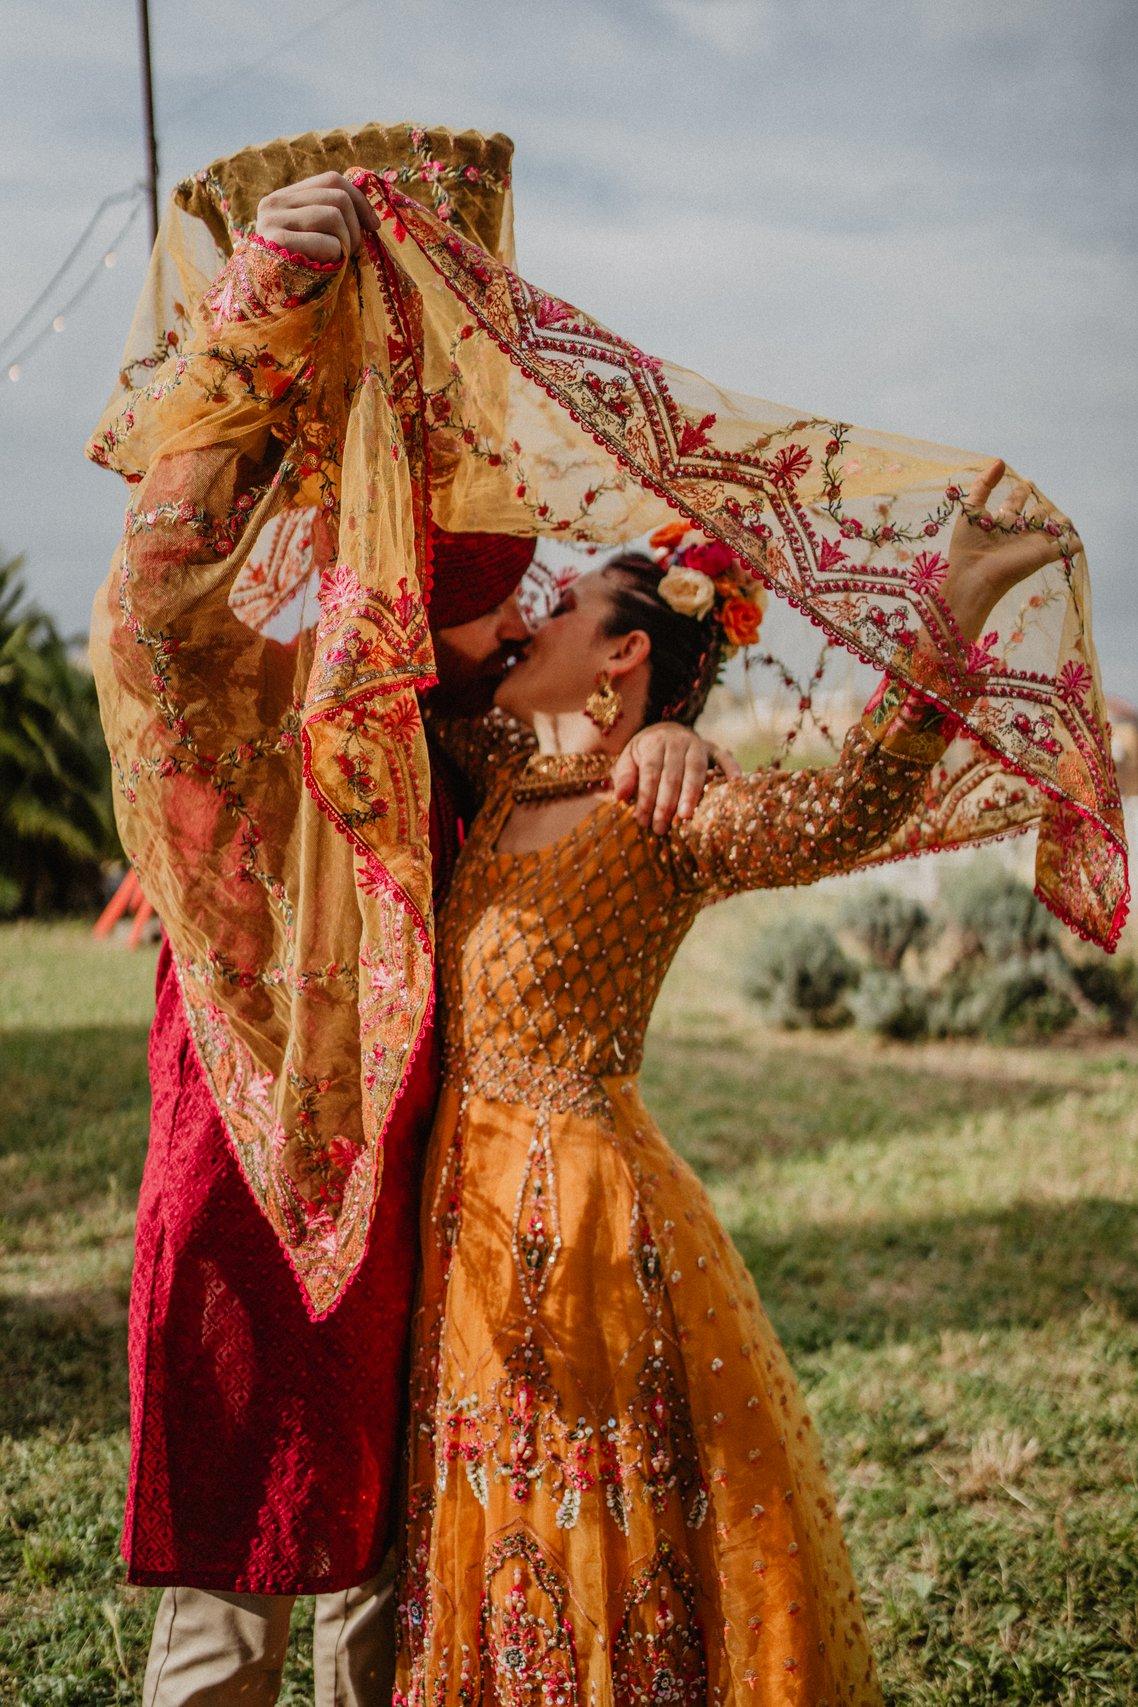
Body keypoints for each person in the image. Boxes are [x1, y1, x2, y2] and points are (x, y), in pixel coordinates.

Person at [99, 168, 734, 1707]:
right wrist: (260, 305)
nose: (513, 630)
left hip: (423, 1225)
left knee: (396, 1600)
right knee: (226, 1614)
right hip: (249, 1193)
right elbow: (148, 607)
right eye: (486, 605)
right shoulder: (256, 709)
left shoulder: (470, 752)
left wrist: (687, 747)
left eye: (517, 606)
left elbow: (616, 759)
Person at [392, 467, 1075, 1704]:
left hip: (587, 1219)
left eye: (562, 607)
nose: (531, 618)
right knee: (499, 1511)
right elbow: (418, 673)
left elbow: (846, 816)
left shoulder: (665, 808)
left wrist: (949, 606)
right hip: (465, 1216)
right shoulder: (503, 770)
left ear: (623, 654)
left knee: (594, 1521)